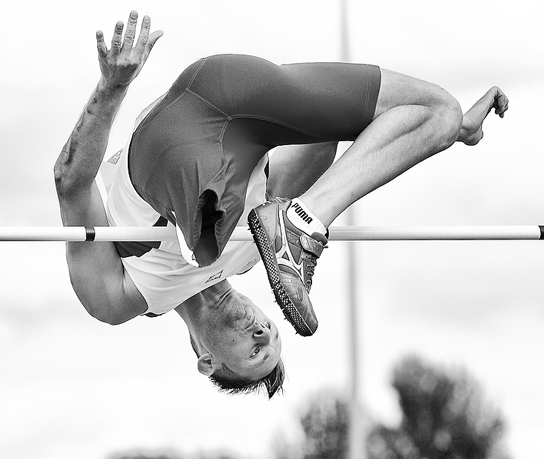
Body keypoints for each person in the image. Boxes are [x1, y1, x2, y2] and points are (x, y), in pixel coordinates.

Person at [54, 11, 509, 399]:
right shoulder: (254, 250)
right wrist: (441, 137)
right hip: (240, 101)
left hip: (174, 140)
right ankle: (306, 217)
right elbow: (321, 142)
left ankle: (290, 219)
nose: (260, 332)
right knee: (441, 113)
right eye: (270, 335)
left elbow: (70, 182)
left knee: (211, 235)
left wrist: (112, 87)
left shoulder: (121, 299)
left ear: (206, 362)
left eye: (254, 352)